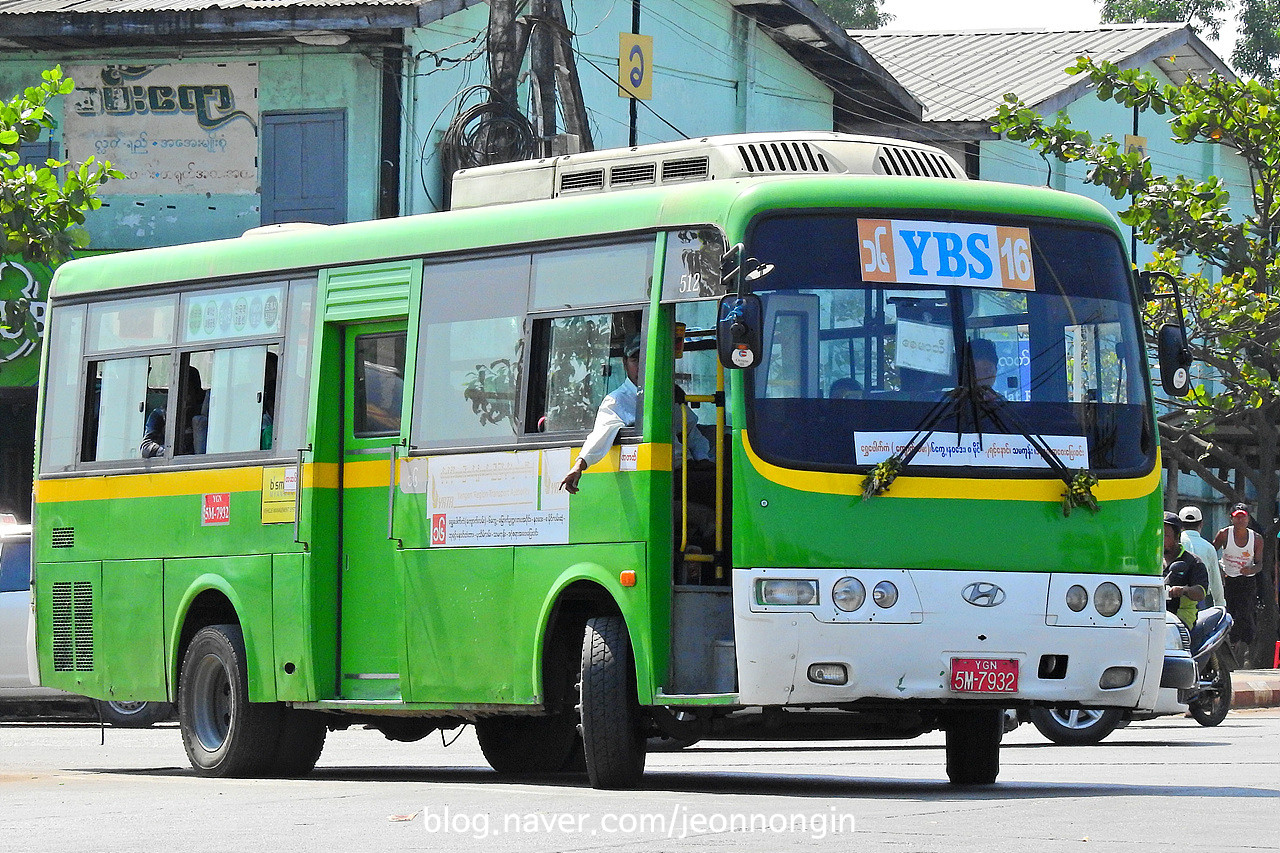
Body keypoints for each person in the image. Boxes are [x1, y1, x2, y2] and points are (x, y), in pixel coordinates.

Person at [559, 335, 641, 495]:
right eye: (635, 360)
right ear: (625, 363)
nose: (641, 366)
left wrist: (702, 457)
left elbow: (691, 432)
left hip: (686, 466)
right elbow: (601, 435)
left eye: (645, 359)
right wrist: (579, 466)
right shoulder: (617, 401)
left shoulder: (666, 396)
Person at [1213, 502, 1259, 651]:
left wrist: (1251, 569)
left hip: (1247, 580)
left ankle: (1245, 644)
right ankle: (1229, 643)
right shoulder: (1224, 534)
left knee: (1246, 612)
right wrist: (1218, 571)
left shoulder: (1256, 539)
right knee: (1229, 611)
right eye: (1237, 517)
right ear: (1231, 519)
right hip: (1228, 579)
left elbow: (1260, 564)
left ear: (1248, 519)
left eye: (1243, 517)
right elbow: (1212, 552)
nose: (1240, 520)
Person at [1163, 511, 1208, 630]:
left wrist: (1184, 590)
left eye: (1165, 535)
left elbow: (1200, 592)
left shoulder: (1193, 562)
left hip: (1180, 621)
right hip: (1154, 616)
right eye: (1157, 533)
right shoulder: (1151, 561)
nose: (1160, 538)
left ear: (1177, 537)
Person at [1179, 505, 1224, 608]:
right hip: (1198, 598)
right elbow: (1215, 579)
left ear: (1180, 525)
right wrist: (1220, 604)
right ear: (1201, 524)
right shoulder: (1208, 547)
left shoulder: (1173, 544)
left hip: (1175, 597)